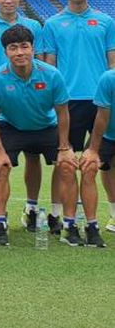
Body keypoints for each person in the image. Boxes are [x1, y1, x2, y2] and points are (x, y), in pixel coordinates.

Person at [0, 25, 91, 246]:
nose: (20, 52)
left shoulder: (51, 75)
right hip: (11, 127)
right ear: (6, 52)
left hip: (46, 126)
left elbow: (62, 112)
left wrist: (64, 148)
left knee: (68, 165)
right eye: (13, 48)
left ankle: (68, 225)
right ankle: (0, 224)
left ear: (33, 49)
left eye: (25, 46)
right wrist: (0, 152)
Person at [43, 0, 115, 236]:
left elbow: (112, 61)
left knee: (105, 160)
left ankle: (112, 215)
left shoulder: (106, 21)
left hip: (101, 100)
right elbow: (50, 64)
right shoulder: (52, 24)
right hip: (68, 101)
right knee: (63, 159)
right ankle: (57, 214)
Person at [0, 0, 50, 233]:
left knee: (34, 156)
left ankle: (32, 209)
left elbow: (41, 60)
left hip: (32, 99)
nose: (8, 0)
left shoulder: (33, 25)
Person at [80, 69, 115, 245]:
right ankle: (91, 226)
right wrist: (93, 150)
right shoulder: (109, 78)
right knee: (88, 167)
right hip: (108, 135)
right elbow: (101, 116)